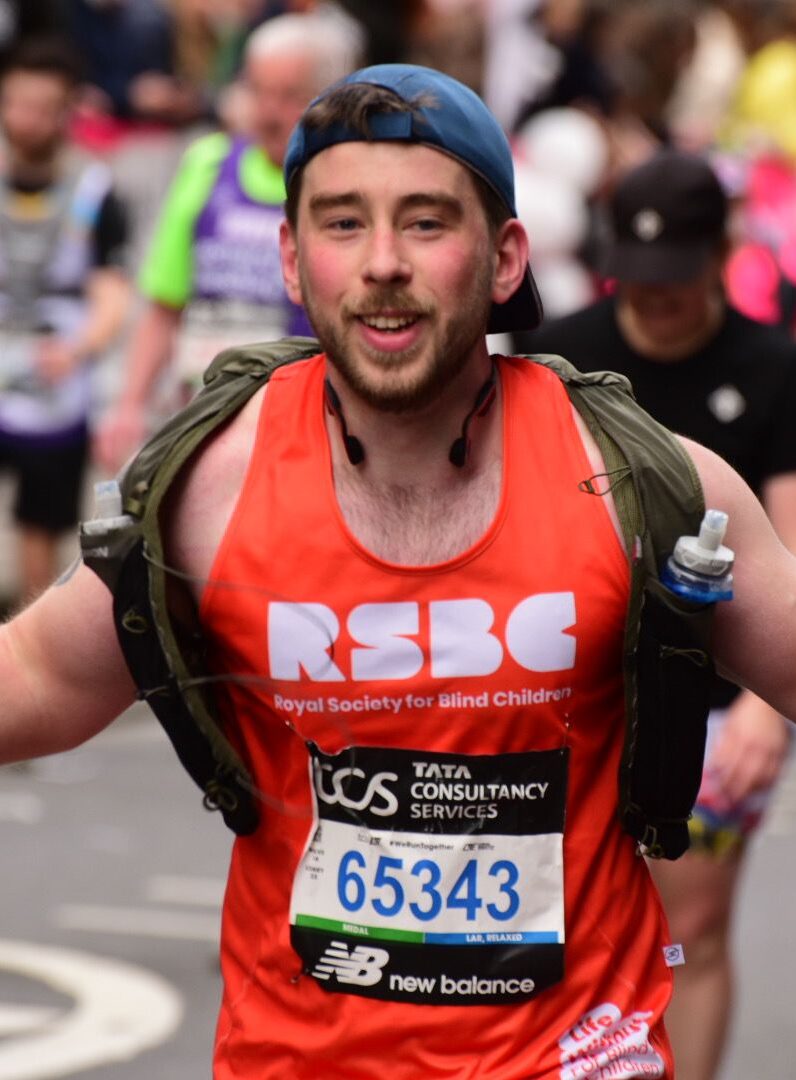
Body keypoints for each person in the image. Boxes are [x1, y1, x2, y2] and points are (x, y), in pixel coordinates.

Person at [4, 62, 796, 1080]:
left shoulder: (644, 483)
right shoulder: (209, 486)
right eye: (342, 224)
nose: (382, 262)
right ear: (291, 259)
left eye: (426, 223)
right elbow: (36, 680)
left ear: (505, 257)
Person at [515, 147, 796, 1080]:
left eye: (673, 277)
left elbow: (789, 555)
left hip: (720, 700)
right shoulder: (564, 355)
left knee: (694, 922)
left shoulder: (772, 367)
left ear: (720, 254)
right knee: (569, 924)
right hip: (580, 686)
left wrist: (765, 710)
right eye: (636, 280)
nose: (654, 300)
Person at [94, 9, 362, 473]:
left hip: (307, 431)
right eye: (257, 90)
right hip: (203, 423)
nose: (267, 111)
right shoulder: (207, 163)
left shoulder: (348, 185)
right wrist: (130, 404)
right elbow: (164, 304)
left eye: (288, 96)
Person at [0, 38, 129, 601]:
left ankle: (24, 649)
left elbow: (113, 296)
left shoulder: (95, 192)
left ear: (66, 112)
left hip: (55, 380)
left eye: (39, 106)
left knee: (42, 519)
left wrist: (78, 349)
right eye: (14, 102)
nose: (23, 118)